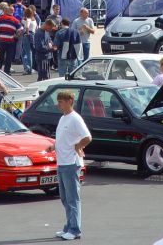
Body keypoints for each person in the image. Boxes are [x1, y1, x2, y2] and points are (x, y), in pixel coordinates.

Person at [45, 90, 91, 241]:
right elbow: (63, 138)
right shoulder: (63, 118)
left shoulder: (75, 119)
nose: (59, 104)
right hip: (62, 162)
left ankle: (75, 230)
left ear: (70, 101)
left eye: (61, 102)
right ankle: (69, 226)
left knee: (72, 198)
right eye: (58, 101)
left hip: (71, 164)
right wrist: (53, 146)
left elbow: (87, 137)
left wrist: (78, 146)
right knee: (65, 198)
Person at [0, 6, 22, 74]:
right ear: (13, 12)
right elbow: (21, 29)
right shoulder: (15, 20)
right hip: (10, 40)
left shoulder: (1, 18)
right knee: (9, 57)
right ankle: (7, 71)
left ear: (7, 11)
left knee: (0, 56)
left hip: (2, 40)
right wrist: (16, 36)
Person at [21, 7, 37, 75]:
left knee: (26, 53)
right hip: (33, 35)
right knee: (27, 52)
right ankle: (29, 68)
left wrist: (27, 33)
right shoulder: (34, 19)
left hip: (27, 35)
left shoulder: (28, 19)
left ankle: (28, 68)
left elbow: (27, 27)